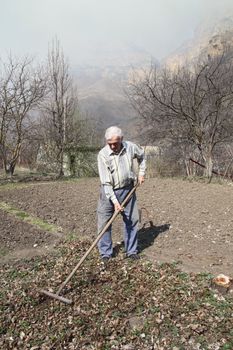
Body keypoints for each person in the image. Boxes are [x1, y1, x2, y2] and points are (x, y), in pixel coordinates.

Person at [97, 126, 146, 261]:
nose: (113, 146)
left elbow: (142, 155)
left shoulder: (130, 147)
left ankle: (131, 251)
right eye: (110, 144)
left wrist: (141, 173)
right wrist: (115, 203)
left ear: (121, 140)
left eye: (115, 143)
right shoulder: (103, 154)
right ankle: (106, 253)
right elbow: (106, 183)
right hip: (108, 193)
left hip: (128, 189)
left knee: (132, 220)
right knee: (104, 222)